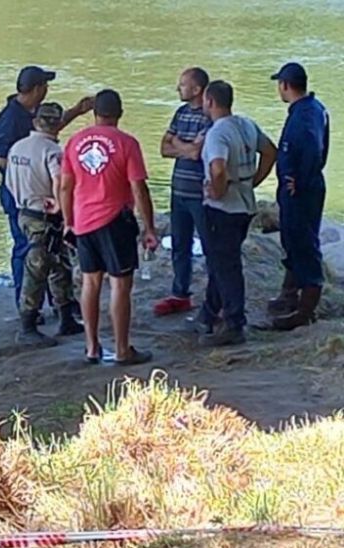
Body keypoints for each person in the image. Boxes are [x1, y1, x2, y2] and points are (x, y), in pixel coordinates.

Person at [61, 89, 159, 366]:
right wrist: (149, 227)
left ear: (95, 114)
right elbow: (139, 189)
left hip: (83, 221)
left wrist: (69, 221)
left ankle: (92, 347)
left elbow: (65, 186)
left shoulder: (75, 141)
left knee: (90, 282)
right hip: (115, 219)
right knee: (120, 285)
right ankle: (122, 349)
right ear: (120, 114)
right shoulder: (127, 143)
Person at [0, 66, 93, 316]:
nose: (47, 89)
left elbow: (47, 129)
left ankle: (58, 303)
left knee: (51, 250)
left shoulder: (31, 115)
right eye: (45, 85)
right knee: (27, 249)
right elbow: (2, 159)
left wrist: (77, 111)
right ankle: (26, 307)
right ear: (37, 89)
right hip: (24, 196)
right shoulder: (11, 119)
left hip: (35, 194)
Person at [197, 80, 277, 346]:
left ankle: (234, 323)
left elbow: (218, 169)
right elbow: (270, 152)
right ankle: (208, 314)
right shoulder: (246, 124)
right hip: (245, 204)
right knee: (220, 263)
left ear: (210, 101)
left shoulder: (217, 133)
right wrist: (252, 180)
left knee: (226, 266)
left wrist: (218, 192)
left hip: (223, 208)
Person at [5, 102, 85, 346]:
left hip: (25, 211)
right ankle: (28, 325)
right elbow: (61, 182)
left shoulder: (18, 147)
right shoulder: (51, 151)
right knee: (37, 267)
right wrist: (63, 209)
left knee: (59, 263)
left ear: (35, 121)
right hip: (45, 216)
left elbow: (9, 182)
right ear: (57, 124)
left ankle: (66, 317)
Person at [268, 62, 331, 330]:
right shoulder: (314, 109)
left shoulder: (304, 115)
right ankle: (290, 295)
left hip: (302, 192)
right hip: (307, 187)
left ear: (285, 85)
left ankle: (305, 312)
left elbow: (313, 149)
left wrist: (300, 181)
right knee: (293, 240)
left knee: (303, 242)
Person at [154, 67, 212, 317]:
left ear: (197, 89)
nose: (178, 88)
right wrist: (184, 147)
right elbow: (163, 149)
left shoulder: (209, 117)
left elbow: (196, 153)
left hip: (201, 193)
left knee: (210, 246)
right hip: (178, 189)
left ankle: (214, 297)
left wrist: (178, 143)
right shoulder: (180, 113)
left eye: (183, 85)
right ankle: (180, 294)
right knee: (180, 243)